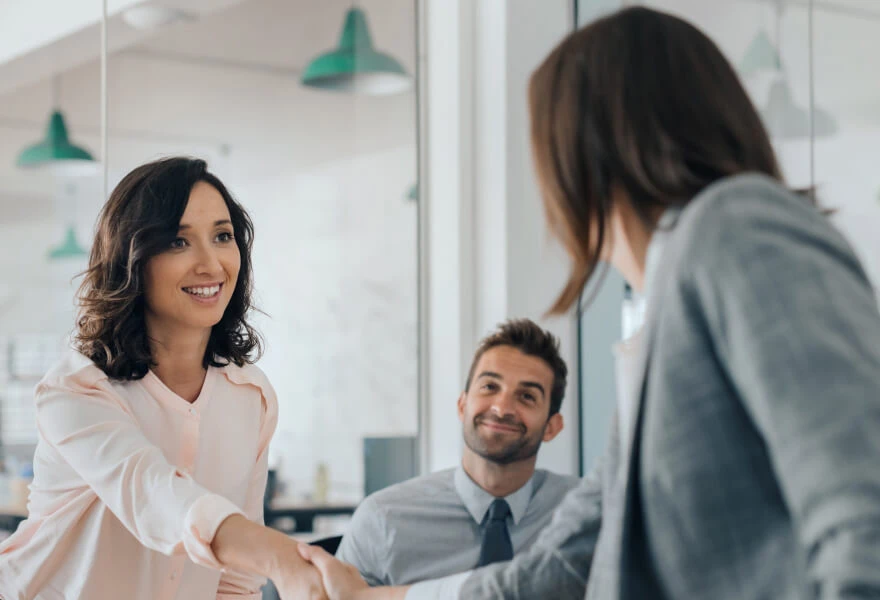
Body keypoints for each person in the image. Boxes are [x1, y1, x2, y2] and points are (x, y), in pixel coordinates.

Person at [298, 6, 880, 600]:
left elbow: (865, 515)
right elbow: (560, 569)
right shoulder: (663, 318)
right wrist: (371, 598)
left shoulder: (735, 225)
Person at [0, 157, 325, 599]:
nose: (210, 264)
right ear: (131, 258)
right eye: (177, 241)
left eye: (223, 236)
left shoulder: (251, 395)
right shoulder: (76, 391)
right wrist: (282, 558)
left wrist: (268, 562)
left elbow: (235, 581)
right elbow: (155, 496)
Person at [335, 319, 580, 585]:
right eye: (489, 387)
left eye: (527, 397)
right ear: (463, 406)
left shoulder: (583, 513)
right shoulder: (383, 519)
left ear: (552, 427)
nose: (502, 408)